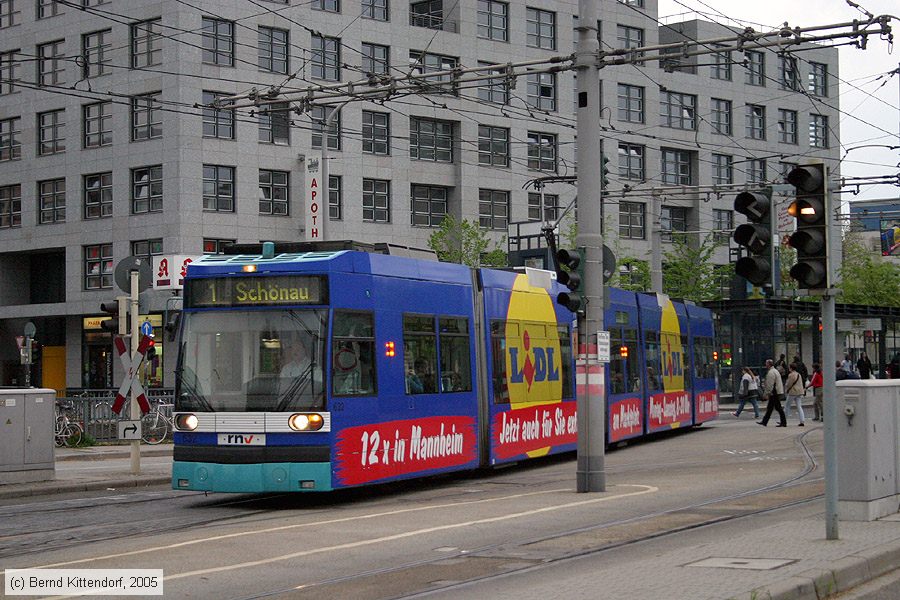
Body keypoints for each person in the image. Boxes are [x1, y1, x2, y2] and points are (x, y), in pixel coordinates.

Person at [758, 359, 787, 427]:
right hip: (776, 391)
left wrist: (766, 393)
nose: (765, 365)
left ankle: (783, 422)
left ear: (769, 364)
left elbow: (770, 384)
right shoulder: (775, 371)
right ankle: (765, 421)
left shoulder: (771, 372)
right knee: (770, 408)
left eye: (766, 363)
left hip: (774, 392)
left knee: (778, 408)